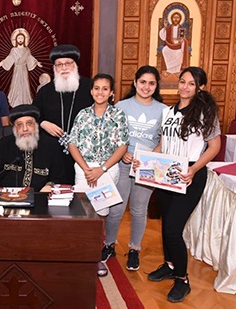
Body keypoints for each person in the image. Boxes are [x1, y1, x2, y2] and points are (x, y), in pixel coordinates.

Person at [141, 67, 220, 302]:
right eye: (182, 82)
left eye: (191, 84)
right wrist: (145, 160)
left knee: (174, 229)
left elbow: (214, 146)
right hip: (167, 172)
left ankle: (182, 280)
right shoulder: (168, 112)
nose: (185, 87)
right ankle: (169, 265)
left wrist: (194, 169)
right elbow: (162, 145)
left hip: (191, 175)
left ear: (200, 88)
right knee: (166, 224)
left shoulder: (205, 113)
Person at [102, 66, 167, 271]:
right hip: (122, 164)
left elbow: (164, 141)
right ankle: (109, 244)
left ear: (156, 86)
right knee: (116, 209)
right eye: (143, 82)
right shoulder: (121, 106)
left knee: (139, 210)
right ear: (135, 82)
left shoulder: (163, 110)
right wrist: (122, 153)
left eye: (151, 83)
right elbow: (111, 136)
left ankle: (134, 249)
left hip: (146, 168)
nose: (146, 87)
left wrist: (149, 159)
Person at [67, 73, 129, 277]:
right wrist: (86, 169)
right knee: (82, 214)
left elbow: (122, 146)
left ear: (111, 93)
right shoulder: (82, 114)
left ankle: (95, 258)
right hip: (83, 170)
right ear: (91, 90)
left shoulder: (118, 115)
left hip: (107, 171)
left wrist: (101, 169)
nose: (100, 92)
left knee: (100, 216)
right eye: (96, 88)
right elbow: (72, 143)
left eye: (105, 88)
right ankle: (79, 255)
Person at [32, 45, 94, 185]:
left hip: (84, 152)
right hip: (52, 153)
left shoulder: (89, 87)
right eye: (59, 65)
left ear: (75, 65)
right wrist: (43, 123)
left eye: (68, 63)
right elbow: (32, 115)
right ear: (54, 68)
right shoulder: (45, 91)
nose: (64, 68)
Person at [0, 105, 64, 195]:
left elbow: (58, 176)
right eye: (20, 125)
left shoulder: (51, 145)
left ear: (36, 125)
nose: (25, 129)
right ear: (14, 128)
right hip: (6, 200)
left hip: (40, 200)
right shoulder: (4, 143)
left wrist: (50, 186)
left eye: (29, 123)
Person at [0, 28, 43, 107]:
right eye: (19, 38)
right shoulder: (14, 50)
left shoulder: (27, 50)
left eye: (22, 38)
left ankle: (25, 100)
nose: (20, 39)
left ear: (24, 39)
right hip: (17, 69)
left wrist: (36, 62)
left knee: (24, 85)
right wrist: (2, 63)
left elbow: (30, 58)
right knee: (16, 84)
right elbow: (10, 58)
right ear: (16, 39)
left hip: (24, 69)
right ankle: (15, 101)